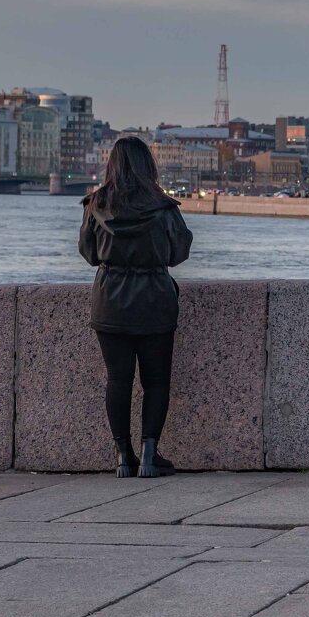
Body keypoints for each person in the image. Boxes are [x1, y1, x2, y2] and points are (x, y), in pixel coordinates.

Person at [78, 136, 193, 478]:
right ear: (149, 166)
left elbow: (88, 254)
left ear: (112, 165)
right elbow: (179, 253)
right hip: (155, 300)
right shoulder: (163, 208)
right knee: (156, 381)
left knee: (118, 379)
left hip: (110, 300)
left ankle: (122, 456)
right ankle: (149, 454)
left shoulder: (96, 205)